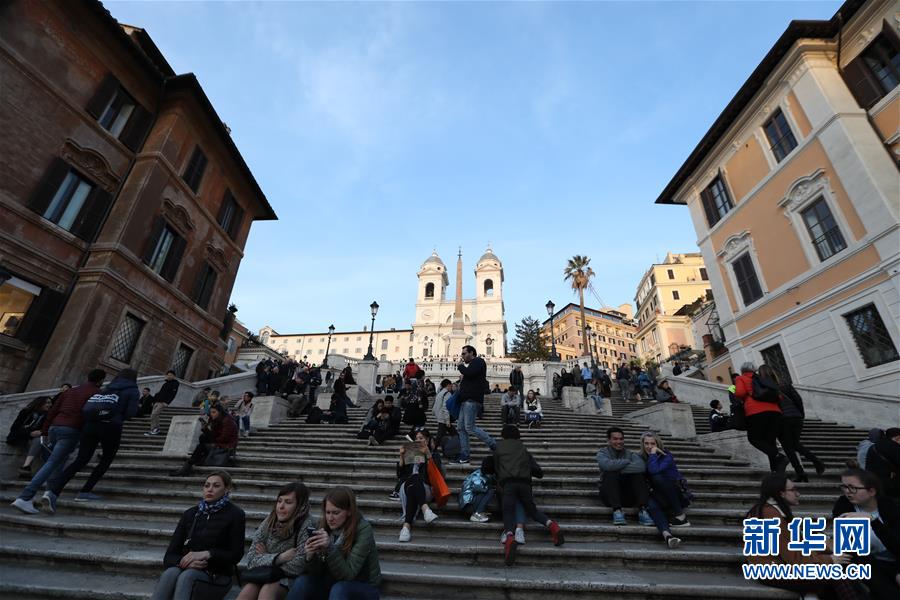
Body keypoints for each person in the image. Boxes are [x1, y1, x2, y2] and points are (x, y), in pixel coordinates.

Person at [11, 369, 106, 515]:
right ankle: (25, 497)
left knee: (58, 464)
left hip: (55, 427)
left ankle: (48, 496)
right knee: (53, 463)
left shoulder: (69, 392)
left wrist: (46, 430)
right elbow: (91, 413)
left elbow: (53, 410)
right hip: (71, 429)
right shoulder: (96, 393)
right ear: (101, 380)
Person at [745, 473, 854, 600]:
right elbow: (794, 558)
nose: (798, 494)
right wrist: (830, 560)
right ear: (781, 493)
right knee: (837, 573)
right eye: (793, 489)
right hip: (773, 572)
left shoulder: (769, 510)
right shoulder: (771, 515)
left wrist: (827, 547)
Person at [42, 368, 140, 507]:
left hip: (91, 426)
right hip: (111, 427)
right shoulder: (132, 390)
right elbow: (131, 412)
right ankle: (85, 491)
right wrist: (119, 416)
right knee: (106, 459)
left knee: (81, 459)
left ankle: (53, 491)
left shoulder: (107, 388)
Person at [152, 471, 245, 600]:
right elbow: (169, 556)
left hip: (217, 576)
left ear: (227, 489)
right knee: (170, 573)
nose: (210, 489)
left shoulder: (235, 514)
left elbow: (236, 555)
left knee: (187, 576)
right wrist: (184, 563)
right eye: (207, 485)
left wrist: (208, 554)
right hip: (188, 570)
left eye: (216, 486)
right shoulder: (190, 514)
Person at [287, 487, 381, 600]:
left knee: (339, 588)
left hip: (364, 587)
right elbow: (316, 573)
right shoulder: (323, 526)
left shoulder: (363, 529)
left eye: (336, 513)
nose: (330, 518)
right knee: (302, 581)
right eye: (327, 512)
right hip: (331, 584)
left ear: (349, 511)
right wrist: (310, 557)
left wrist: (330, 548)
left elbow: (349, 575)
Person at [494, 425, 564, 565]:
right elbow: (538, 471)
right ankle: (552, 526)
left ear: (503, 436)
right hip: (525, 484)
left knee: (507, 512)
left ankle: (509, 538)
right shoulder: (523, 449)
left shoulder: (499, 448)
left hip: (508, 483)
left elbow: (497, 468)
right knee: (532, 511)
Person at [237, 482, 315, 600]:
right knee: (249, 589)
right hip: (266, 574)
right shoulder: (269, 521)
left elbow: (299, 565)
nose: (281, 506)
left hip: (291, 581)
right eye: (279, 501)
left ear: (300, 505)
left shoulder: (307, 524)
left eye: (288, 502)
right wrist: (279, 558)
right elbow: (251, 560)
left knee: (268, 588)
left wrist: (264, 557)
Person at [832, 468, 900, 599]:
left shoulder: (891, 507)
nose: (847, 492)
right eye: (844, 487)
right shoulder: (844, 506)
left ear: (871, 491)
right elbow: (853, 551)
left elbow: (897, 545)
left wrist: (873, 521)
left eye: (852, 488)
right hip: (869, 564)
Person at [640, 432, 690, 549]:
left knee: (657, 477)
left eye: (652, 443)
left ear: (658, 444)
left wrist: (653, 454)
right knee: (651, 505)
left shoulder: (666, 455)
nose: (649, 446)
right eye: (646, 443)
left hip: (676, 496)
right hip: (659, 497)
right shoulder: (641, 457)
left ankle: (681, 516)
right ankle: (668, 536)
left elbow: (654, 471)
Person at [734, 363, 787, 472]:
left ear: (742, 370)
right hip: (774, 411)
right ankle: (777, 472)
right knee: (770, 442)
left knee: (754, 438)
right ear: (754, 370)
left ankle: (779, 457)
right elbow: (778, 394)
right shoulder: (762, 378)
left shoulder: (741, 378)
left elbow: (740, 393)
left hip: (756, 411)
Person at [596, 427, 653, 526]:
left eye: (621, 439)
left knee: (638, 475)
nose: (619, 441)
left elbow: (641, 467)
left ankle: (643, 511)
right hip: (609, 496)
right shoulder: (602, 453)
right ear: (609, 440)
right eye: (615, 439)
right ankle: (617, 511)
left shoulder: (630, 453)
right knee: (611, 474)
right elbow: (607, 466)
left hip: (628, 496)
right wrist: (626, 462)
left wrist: (616, 467)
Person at [396, 429, 441, 542]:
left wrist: (427, 454)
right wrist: (401, 456)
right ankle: (425, 509)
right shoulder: (411, 453)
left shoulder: (434, 455)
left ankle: (406, 528)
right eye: (416, 438)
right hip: (406, 486)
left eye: (421, 438)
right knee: (413, 478)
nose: (418, 440)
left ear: (427, 440)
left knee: (415, 479)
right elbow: (400, 475)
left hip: (425, 488)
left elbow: (437, 472)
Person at [776, 377, 825, 481]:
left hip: (782, 419)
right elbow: (798, 399)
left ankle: (800, 472)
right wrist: (800, 414)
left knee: (788, 447)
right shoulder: (784, 382)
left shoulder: (766, 386)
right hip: (796, 417)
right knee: (794, 444)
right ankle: (816, 461)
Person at [170, 402, 239, 477]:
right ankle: (194, 462)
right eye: (211, 412)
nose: (212, 414)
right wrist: (205, 429)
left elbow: (223, 439)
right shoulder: (217, 420)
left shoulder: (227, 421)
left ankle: (187, 467)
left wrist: (212, 439)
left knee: (201, 446)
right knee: (203, 437)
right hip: (220, 444)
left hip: (226, 446)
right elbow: (214, 435)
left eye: (214, 412)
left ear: (220, 412)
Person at [455, 345, 496, 465]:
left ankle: (493, 444)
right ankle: (465, 454)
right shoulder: (472, 364)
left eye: (464, 353)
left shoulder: (478, 361)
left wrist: (461, 366)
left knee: (469, 427)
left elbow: (470, 372)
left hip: (472, 400)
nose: (462, 356)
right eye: (462, 354)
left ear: (471, 353)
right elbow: (469, 375)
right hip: (465, 400)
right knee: (461, 428)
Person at [6, 396, 52, 480]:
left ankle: (26, 466)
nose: (50, 405)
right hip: (19, 437)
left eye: (50, 403)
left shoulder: (47, 416)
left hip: (34, 439)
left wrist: (40, 432)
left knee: (39, 441)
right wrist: (30, 433)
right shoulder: (26, 412)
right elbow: (14, 428)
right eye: (47, 402)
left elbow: (46, 429)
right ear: (40, 403)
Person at [864, 427, 900, 499]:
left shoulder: (873, 447)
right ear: (897, 438)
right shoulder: (895, 447)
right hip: (891, 484)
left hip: (873, 483)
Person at [146, 370, 179, 436]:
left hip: (163, 402)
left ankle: (156, 429)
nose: (169, 376)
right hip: (157, 401)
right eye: (168, 375)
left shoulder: (175, 383)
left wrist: (167, 402)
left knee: (154, 414)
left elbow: (173, 394)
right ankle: (153, 429)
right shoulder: (165, 383)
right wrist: (154, 401)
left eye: (170, 375)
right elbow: (159, 393)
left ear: (174, 376)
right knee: (153, 415)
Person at [432, 379, 452, 446]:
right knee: (440, 436)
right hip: (443, 418)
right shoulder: (447, 394)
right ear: (448, 385)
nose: (451, 387)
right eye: (451, 386)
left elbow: (435, 405)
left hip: (440, 416)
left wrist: (435, 414)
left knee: (441, 435)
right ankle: (433, 449)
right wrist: (447, 420)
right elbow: (445, 407)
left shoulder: (440, 393)